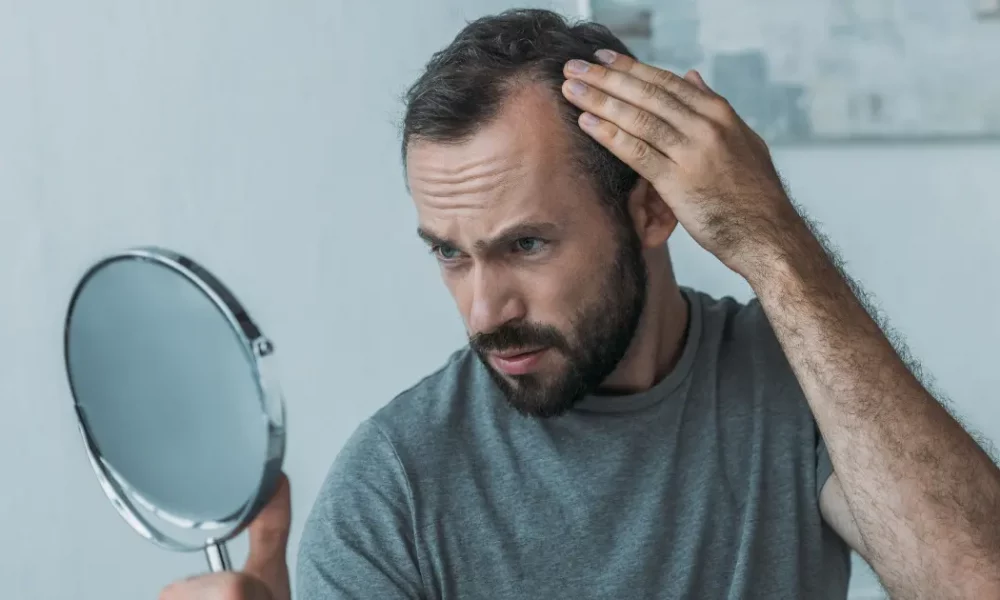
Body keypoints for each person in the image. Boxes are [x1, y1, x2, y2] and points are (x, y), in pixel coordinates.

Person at [160, 9, 1000, 600]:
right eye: (451, 253)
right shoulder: (393, 488)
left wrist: (773, 242)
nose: (484, 309)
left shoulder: (797, 390)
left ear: (650, 210)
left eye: (525, 245)